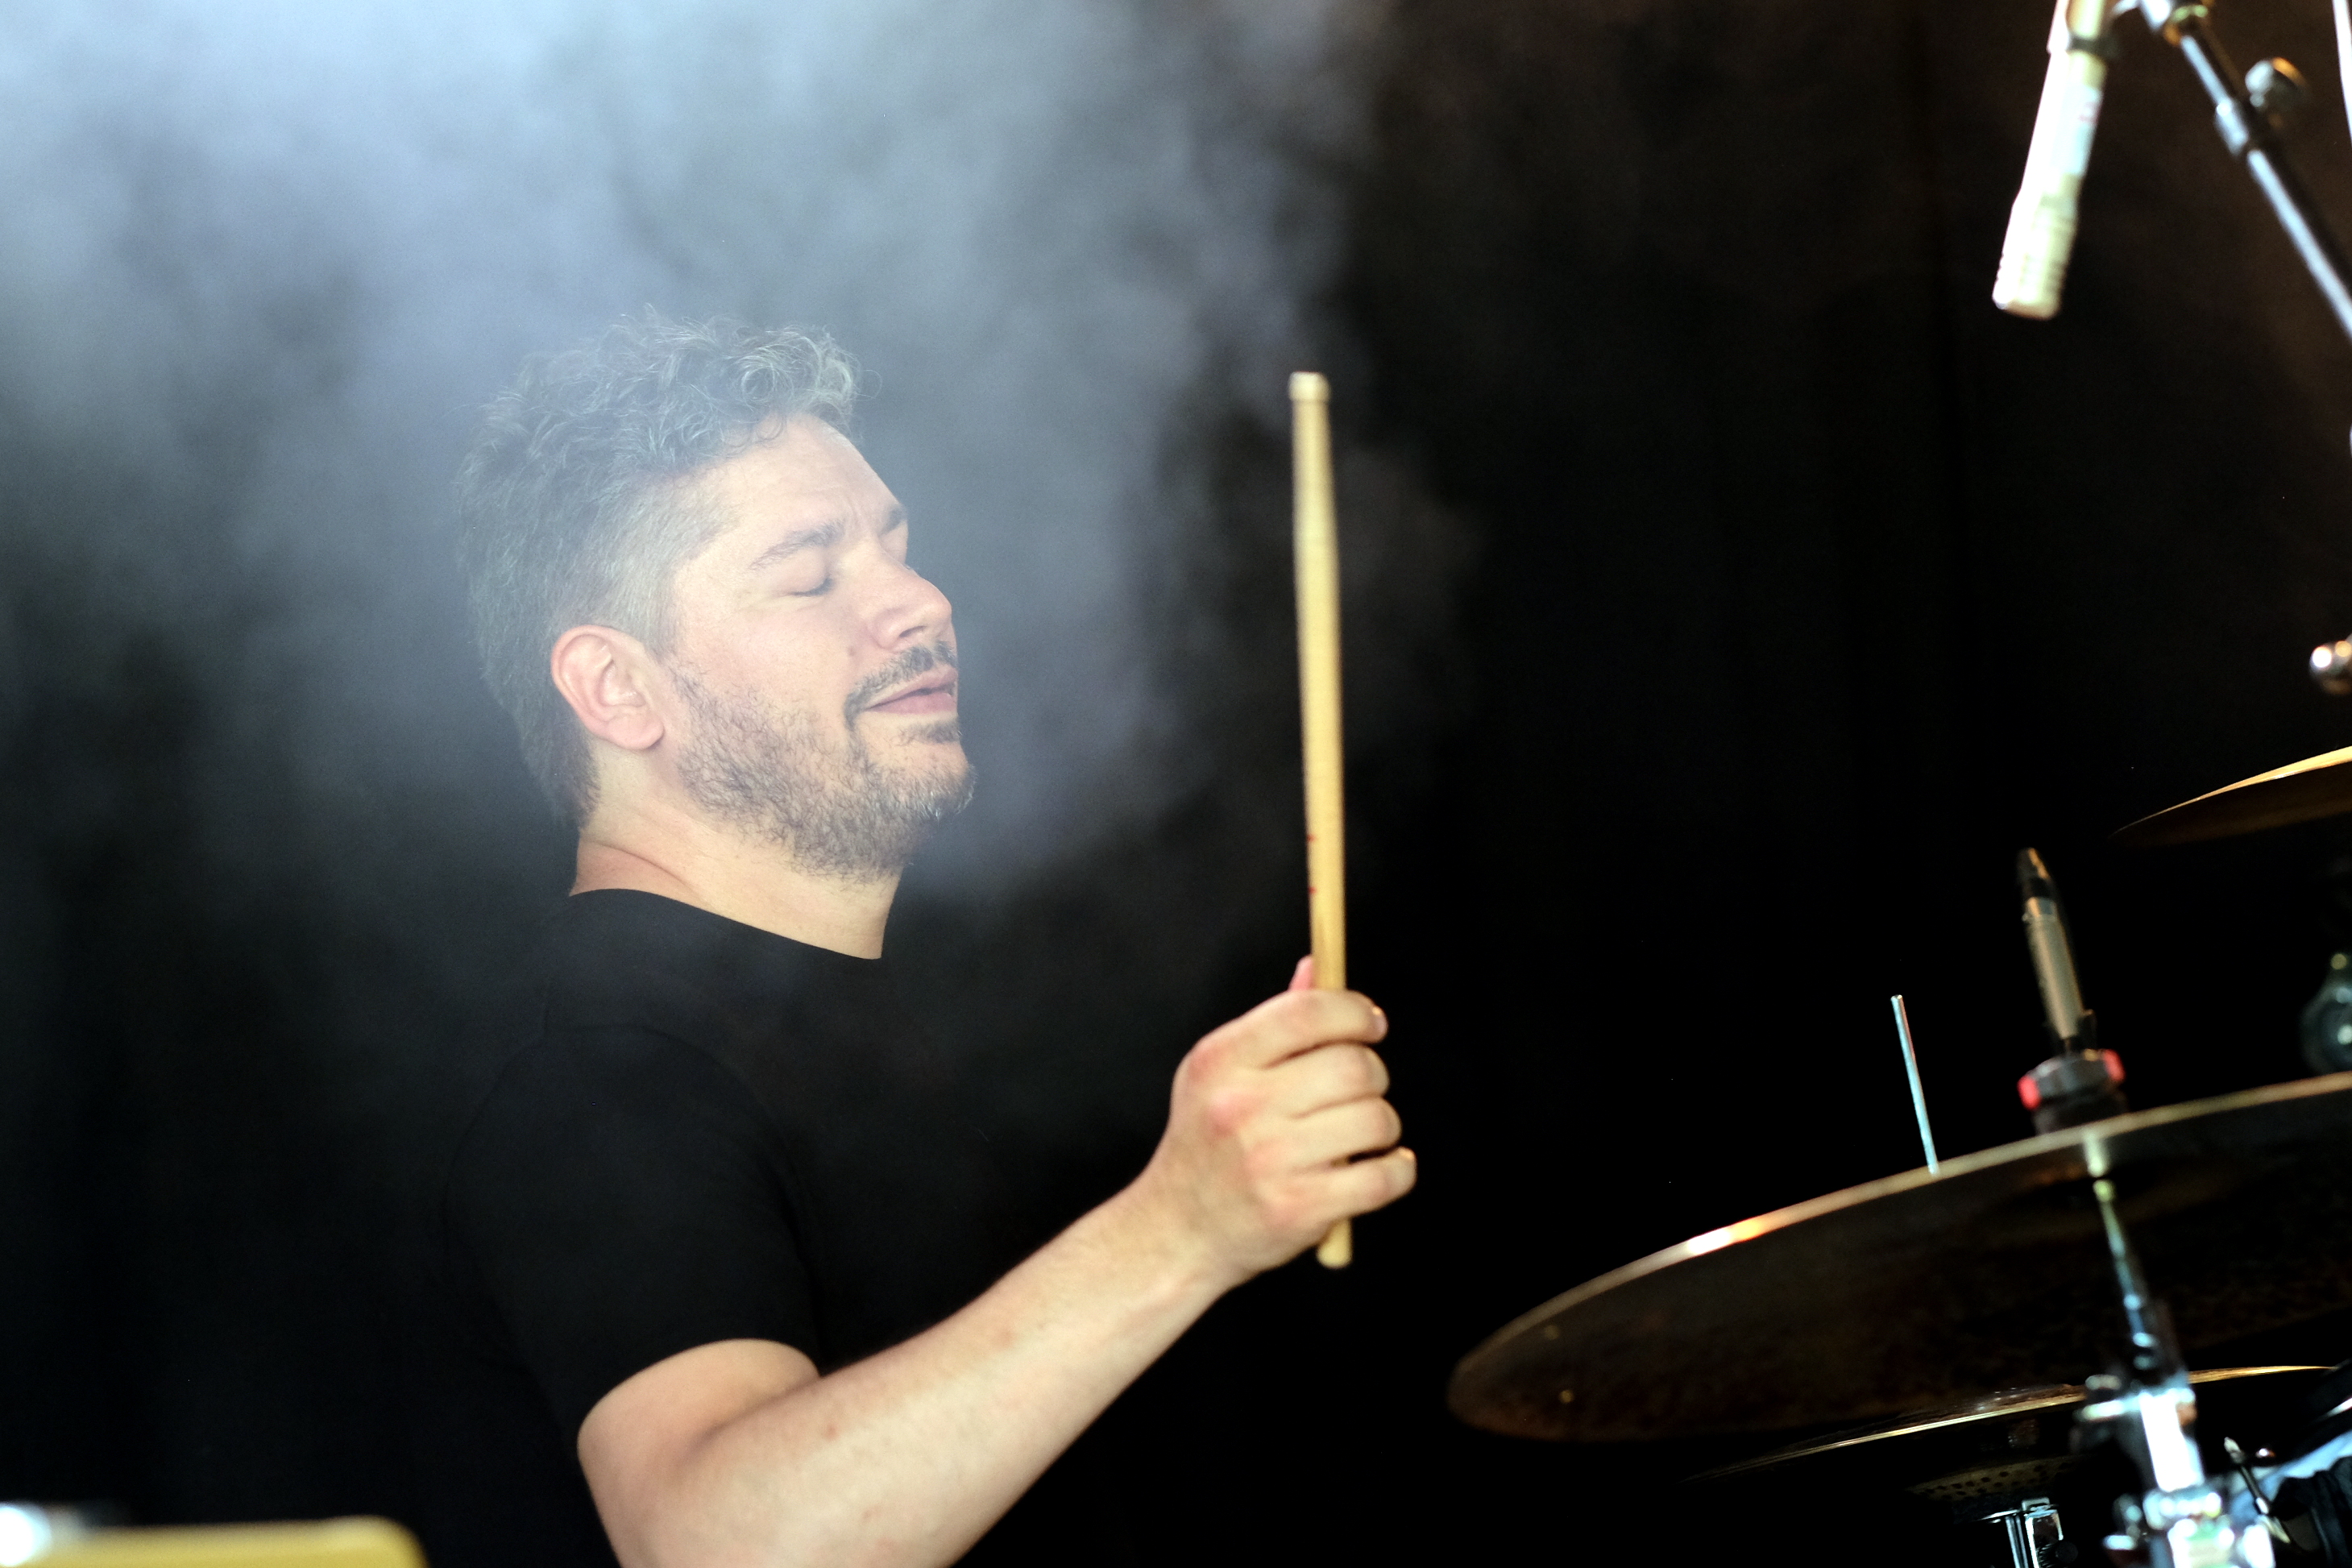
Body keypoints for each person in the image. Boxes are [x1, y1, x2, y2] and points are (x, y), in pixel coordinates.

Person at [405, 312, 1416, 1567]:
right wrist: (1176, 1230)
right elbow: (717, 1546)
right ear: (619, 689)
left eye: (897, 548)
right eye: (810, 576)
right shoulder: (595, 1072)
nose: (921, 603)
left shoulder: (887, 1028)